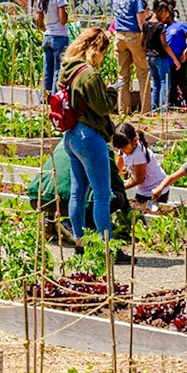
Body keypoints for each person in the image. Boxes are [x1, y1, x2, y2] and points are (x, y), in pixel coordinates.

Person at [58, 27, 125, 255]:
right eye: (103, 52)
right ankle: (107, 248)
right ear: (96, 49)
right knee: (102, 195)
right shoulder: (90, 74)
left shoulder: (68, 68)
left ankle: (80, 243)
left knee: (78, 192)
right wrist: (113, 92)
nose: (103, 57)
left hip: (71, 135)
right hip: (90, 136)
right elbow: (104, 106)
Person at [27, 144, 132, 245]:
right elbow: (115, 181)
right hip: (63, 202)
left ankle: (50, 222)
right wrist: (128, 213)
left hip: (37, 198)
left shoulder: (65, 141)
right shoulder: (99, 144)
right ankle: (77, 226)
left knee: (65, 185)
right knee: (116, 197)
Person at [110, 0, 150, 114]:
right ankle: (145, 110)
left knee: (122, 76)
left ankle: (123, 111)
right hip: (134, 35)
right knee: (143, 73)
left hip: (119, 35)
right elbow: (141, 21)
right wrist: (145, 38)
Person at [112, 122, 168, 203]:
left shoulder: (139, 154)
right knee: (138, 212)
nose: (122, 150)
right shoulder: (123, 150)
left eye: (123, 147)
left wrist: (120, 187)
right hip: (142, 189)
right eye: (119, 148)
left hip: (156, 190)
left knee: (150, 212)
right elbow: (118, 169)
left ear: (134, 141)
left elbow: (139, 179)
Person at [35, 0, 70, 96]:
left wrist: (47, 30)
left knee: (46, 70)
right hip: (59, 36)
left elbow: (39, 23)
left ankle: (43, 98)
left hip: (47, 36)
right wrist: (66, 14)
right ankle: (55, 98)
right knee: (57, 69)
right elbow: (63, 20)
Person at [162, 2, 187, 109]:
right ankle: (172, 105)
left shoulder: (180, 26)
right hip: (169, 61)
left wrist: (185, 53)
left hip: (180, 60)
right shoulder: (164, 28)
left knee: (183, 84)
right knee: (172, 85)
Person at [144, 0, 173, 112]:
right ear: (162, 11)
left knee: (155, 83)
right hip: (160, 57)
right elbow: (165, 45)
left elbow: (143, 42)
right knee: (164, 83)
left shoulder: (146, 24)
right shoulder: (160, 26)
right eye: (166, 13)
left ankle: (153, 109)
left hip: (150, 56)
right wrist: (175, 60)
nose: (167, 16)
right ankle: (164, 109)